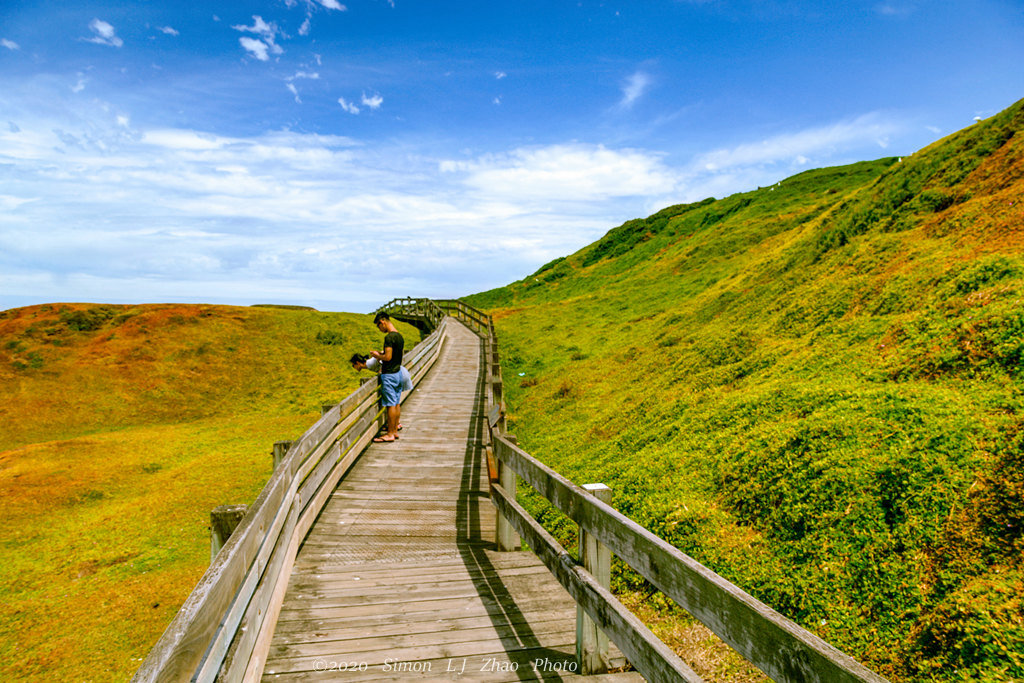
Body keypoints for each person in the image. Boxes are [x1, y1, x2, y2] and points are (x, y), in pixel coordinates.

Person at [369, 312, 404, 442]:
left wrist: (377, 355)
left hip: (389, 375)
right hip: (398, 373)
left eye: (379, 326)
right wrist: (382, 353)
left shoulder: (389, 338)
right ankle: (394, 431)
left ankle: (389, 434)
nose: (380, 329)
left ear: (382, 322)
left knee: (390, 405)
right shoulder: (399, 336)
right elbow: (394, 355)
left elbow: (388, 357)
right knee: (396, 403)